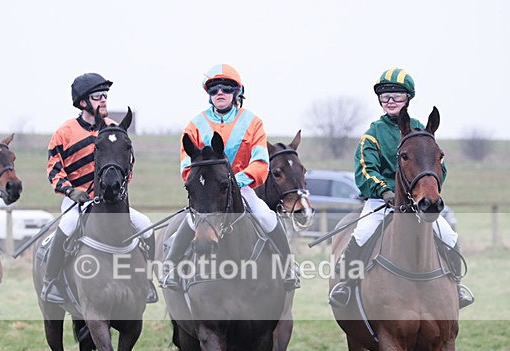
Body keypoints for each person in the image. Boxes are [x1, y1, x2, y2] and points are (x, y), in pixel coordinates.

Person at [328, 68, 474, 309]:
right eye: (385, 97)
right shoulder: (372, 134)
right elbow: (365, 170)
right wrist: (385, 191)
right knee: (363, 232)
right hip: (381, 200)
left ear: (408, 99)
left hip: (417, 201)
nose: (390, 101)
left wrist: (426, 192)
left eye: (396, 96)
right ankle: (345, 284)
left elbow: (439, 168)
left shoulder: (422, 131)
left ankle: (456, 287)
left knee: (448, 235)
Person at [162, 63, 297, 290]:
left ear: (237, 92)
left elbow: (261, 161)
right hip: (207, 190)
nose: (220, 93)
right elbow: (187, 165)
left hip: (242, 187)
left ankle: (287, 267)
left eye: (225, 88)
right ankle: (171, 269)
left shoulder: (253, 122)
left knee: (267, 217)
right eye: (214, 90)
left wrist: (238, 180)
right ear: (209, 95)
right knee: (189, 220)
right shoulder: (194, 125)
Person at [42, 72, 158, 304]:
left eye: (105, 96)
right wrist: (71, 191)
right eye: (98, 96)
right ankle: (51, 282)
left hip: (110, 200)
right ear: (83, 102)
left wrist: (118, 189)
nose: (104, 100)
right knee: (67, 224)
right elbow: (54, 170)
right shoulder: (65, 132)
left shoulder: (114, 129)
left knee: (145, 225)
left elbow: (127, 164)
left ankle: (145, 281)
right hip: (77, 200)